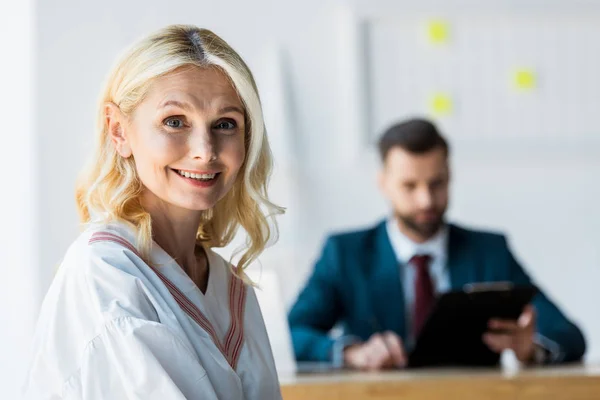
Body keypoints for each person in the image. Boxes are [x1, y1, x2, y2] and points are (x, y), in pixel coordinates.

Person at [23, 25, 284, 399]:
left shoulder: (231, 285)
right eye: (174, 121)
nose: (205, 150)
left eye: (225, 124)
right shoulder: (104, 273)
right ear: (119, 131)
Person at [288, 118, 586, 370]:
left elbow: (569, 336)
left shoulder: (489, 252)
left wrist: (531, 350)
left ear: (450, 177)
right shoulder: (345, 253)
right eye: (410, 186)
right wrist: (350, 352)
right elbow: (291, 333)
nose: (426, 200)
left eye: (437, 183)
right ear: (383, 183)